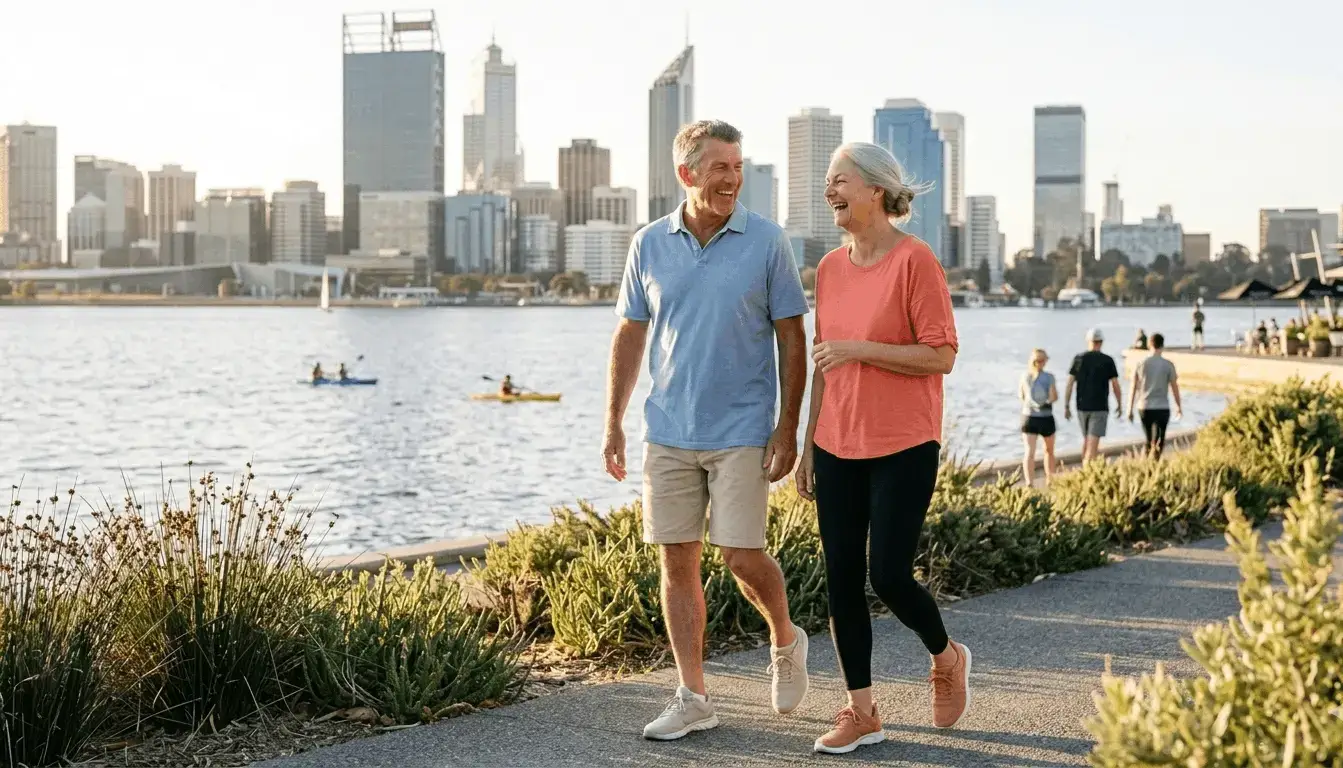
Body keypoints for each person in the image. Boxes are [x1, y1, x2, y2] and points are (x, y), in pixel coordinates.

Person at [604, 120, 812, 742]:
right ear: (687, 173)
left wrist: (787, 427)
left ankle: (784, 636)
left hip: (743, 428)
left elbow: (792, 337)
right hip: (666, 428)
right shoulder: (648, 244)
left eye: (738, 166)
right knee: (676, 560)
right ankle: (693, 696)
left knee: (742, 554)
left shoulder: (768, 241)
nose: (733, 178)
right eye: (720, 166)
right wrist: (612, 421)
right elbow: (630, 334)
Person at [794, 141, 970, 756]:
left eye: (838, 180)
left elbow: (942, 355)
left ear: (875, 190)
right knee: (840, 578)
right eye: (826, 182)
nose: (828, 192)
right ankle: (861, 710)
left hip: (904, 442)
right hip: (837, 441)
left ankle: (946, 657)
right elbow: (823, 363)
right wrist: (809, 444)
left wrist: (861, 351)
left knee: (889, 574)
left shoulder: (915, 260)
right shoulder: (828, 269)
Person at [1064, 328, 1123, 464]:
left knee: (1087, 440)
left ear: (1088, 341)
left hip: (1081, 406)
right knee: (1093, 444)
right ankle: (1087, 474)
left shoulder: (1078, 359)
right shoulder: (1108, 360)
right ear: (1101, 342)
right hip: (1100, 406)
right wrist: (1120, 404)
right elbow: (1115, 385)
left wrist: (1066, 405)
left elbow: (1069, 384)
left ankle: (1085, 471)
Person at [1127, 332, 1183, 459]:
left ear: (1149, 345)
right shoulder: (1168, 365)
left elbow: (1133, 388)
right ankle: (1154, 463)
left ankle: (1146, 463)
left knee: (1148, 438)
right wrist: (1179, 406)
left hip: (1144, 406)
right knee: (1159, 439)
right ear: (1162, 345)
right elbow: (1174, 387)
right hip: (1162, 407)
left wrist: (1129, 409)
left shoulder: (1140, 364)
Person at [1019, 348, 1059, 486]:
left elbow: (1021, 396)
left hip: (1029, 417)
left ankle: (1029, 482)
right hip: (1046, 417)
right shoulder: (1049, 377)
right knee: (1049, 451)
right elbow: (1054, 397)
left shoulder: (1025, 376)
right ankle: (1050, 479)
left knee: (1029, 452)